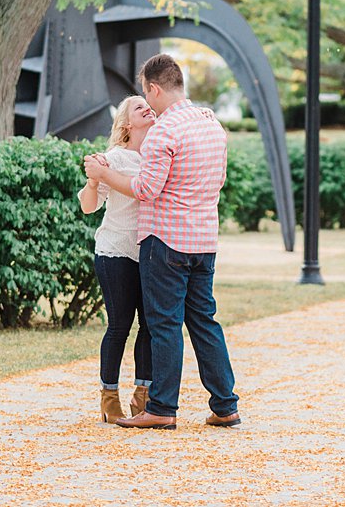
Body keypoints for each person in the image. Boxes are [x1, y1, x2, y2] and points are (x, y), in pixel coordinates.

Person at [84, 53, 240, 430]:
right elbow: (218, 181)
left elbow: (145, 189)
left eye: (146, 94)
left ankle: (161, 408)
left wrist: (104, 172)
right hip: (204, 239)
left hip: (166, 240)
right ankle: (225, 404)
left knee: (164, 324)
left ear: (154, 88)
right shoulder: (211, 124)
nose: (147, 103)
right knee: (204, 320)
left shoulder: (165, 132)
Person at [77, 95, 156, 423]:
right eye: (140, 108)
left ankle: (144, 396)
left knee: (150, 325)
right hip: (116, 251)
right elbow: (88, 206)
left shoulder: (158, 156)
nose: (148, 108)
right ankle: (109, 398)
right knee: (120, 325)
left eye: (149, 105)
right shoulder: (115, 159)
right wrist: (94, 179)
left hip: (150, 253)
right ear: (127, 123)